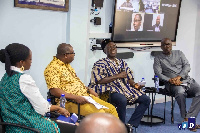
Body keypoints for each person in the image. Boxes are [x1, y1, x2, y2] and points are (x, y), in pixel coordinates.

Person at [0, 43, 70, 132]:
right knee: (73, 128)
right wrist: (59, 108)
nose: (31, 62)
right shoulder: (24, 79)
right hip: (27, 126)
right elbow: (42, 108)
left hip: (11, 127)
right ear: (22, 62)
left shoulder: (5, 78)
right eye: (30, 59)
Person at [88, 40, 151, 131]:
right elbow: (98, 80)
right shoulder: (100, 63)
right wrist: (117, 76)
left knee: (146, 99)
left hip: (125, 89)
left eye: (114, 46)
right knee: (122, 99)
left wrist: (135, 85)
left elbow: (129, 78)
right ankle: (120, 127)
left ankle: (130, 125)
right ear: (104, 51)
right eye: (109, 47)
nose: (113, 48)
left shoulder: (122, 62)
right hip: (109, 89)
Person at [44, 43, 118, 118]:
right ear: (66, 55)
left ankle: (116, 129)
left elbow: (76, 84)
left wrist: (89, 90)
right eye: (73, 53)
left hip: (86, 97)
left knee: (111, 109)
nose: (74, 55)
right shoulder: (52, 68)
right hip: (69, 102)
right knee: (101, 114)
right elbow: (54, 91)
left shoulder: (67, 65)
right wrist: (75, 97)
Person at [153, 38, 200, 132]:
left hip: (186, 80)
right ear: (161, 47)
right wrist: (170, 80)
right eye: (165, 45)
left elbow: (187, 66)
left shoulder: (179, 53)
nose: (167, 47)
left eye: (169, 44)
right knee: (180, 92)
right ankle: (188, 120)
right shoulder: (158, 58)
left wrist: (179, 77)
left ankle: (188, 118)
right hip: (172, 84)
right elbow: (158, 73)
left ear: (171, 45)